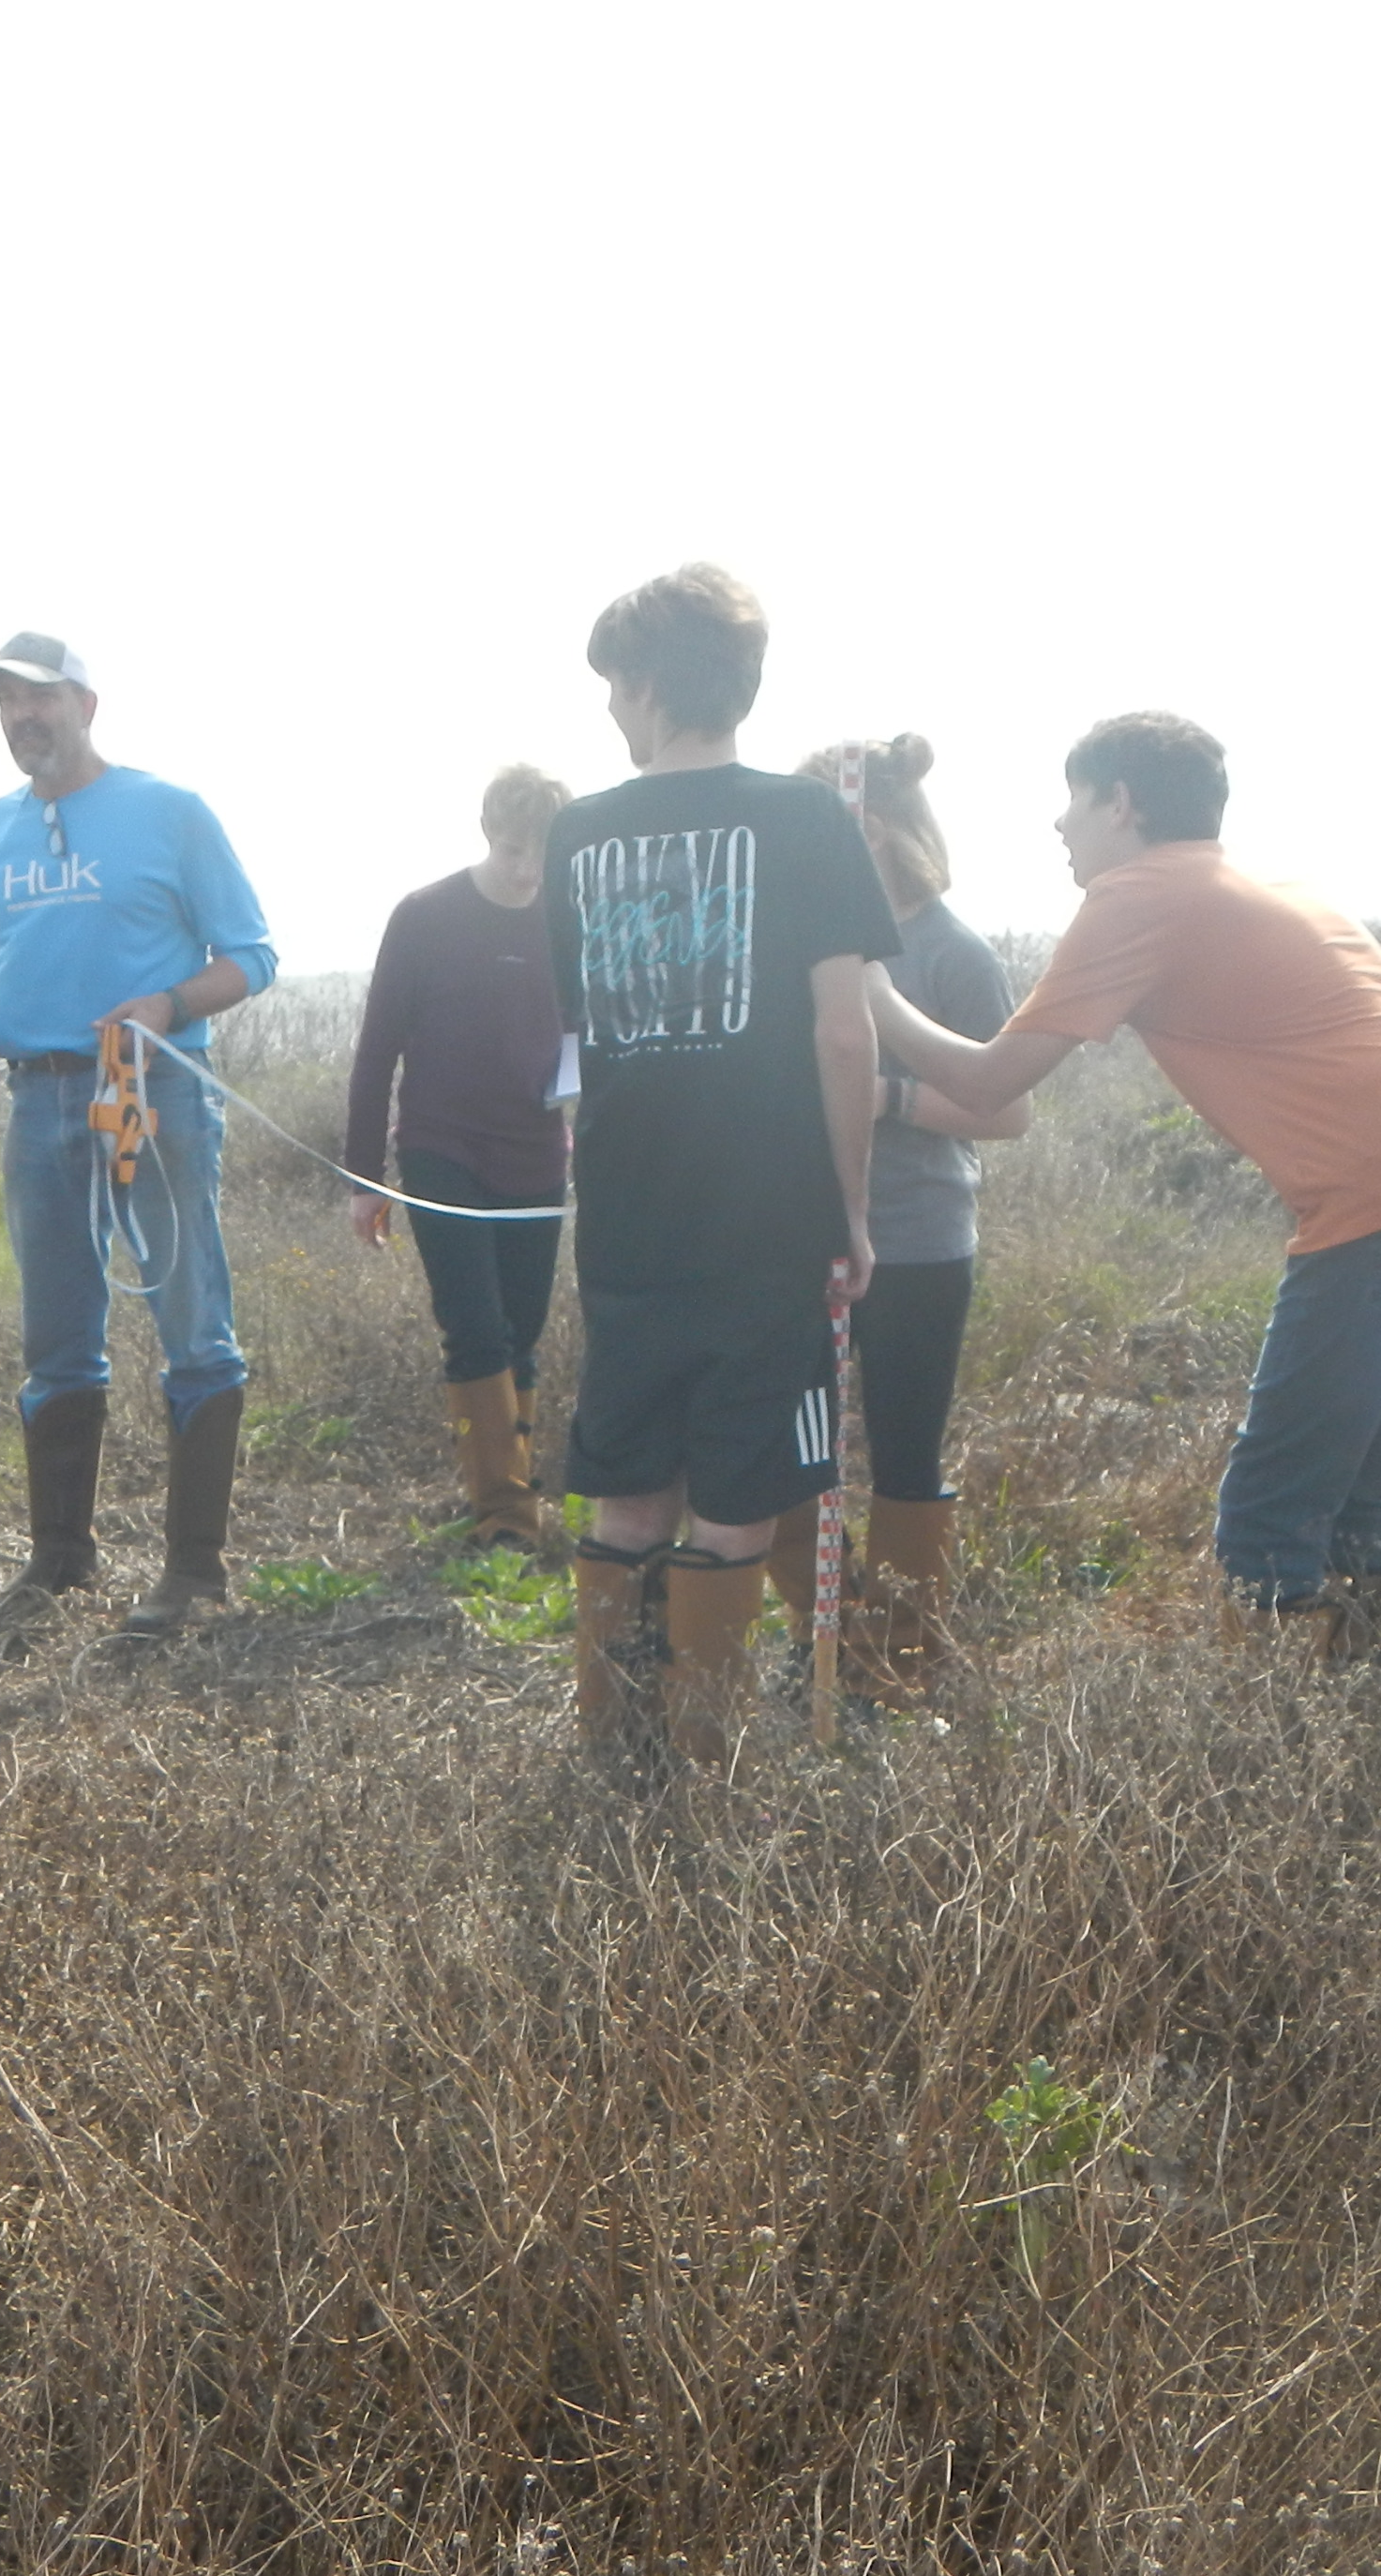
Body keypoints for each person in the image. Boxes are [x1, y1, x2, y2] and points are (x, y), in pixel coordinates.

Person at [863, 712, 1381, 1656]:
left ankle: (1258, 1754)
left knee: (1268, 1514)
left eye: (1072, 800)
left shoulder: (1139, 892)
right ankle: (1368, 1715)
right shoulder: (1259, 880)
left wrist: (869, 985)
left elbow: (985, 1083)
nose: (1058, 827)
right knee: (1351, 1492)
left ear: (1121, 802)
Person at [547, 566, 899, 1759]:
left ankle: (615, 1753)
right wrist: (850, 1209)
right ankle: (698, 1768)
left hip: (629, 1209)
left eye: (612, 686)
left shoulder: (576, 833)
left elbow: (583, 1036)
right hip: (768, 1213)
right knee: (741, 1487)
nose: (606, 711)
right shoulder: (805, 820)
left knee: (630, 1481)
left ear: (647, 684)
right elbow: (842, 1031)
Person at [0, 633, 279, 1639]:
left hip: (152, 1093)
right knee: (56, 1342)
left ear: (86, 701)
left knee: (190, 1323)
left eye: (38, 698)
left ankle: (194, 1571)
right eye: (4, 702)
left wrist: (166, 1005)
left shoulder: (169, 812)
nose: (21, 718)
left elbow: (251, 955)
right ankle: (58, 1560)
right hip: (36, 1103)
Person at [771, 734, 1028, 1699]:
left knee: (905, 1452)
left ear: (859, 830)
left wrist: (885, 1098)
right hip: (805, 1238)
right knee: (795, 1449)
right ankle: (829, 1634)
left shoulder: (952, 953)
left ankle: (903, 1657)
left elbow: (1008, 1110)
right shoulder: (798, 942)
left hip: (920, 1242)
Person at [341, 765, 575, 1548]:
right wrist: (364, 1178)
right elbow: (377, 1053)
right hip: (443, 1147)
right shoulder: (425, 916)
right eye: (513, 850)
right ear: (487, 834)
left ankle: (519, 1493)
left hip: (540, 1150)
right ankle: (504, 1518)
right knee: (474, 1327)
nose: (525, 870)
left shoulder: (571, 921)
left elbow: (600, 1040)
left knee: (522, 1328)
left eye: (541, 855)